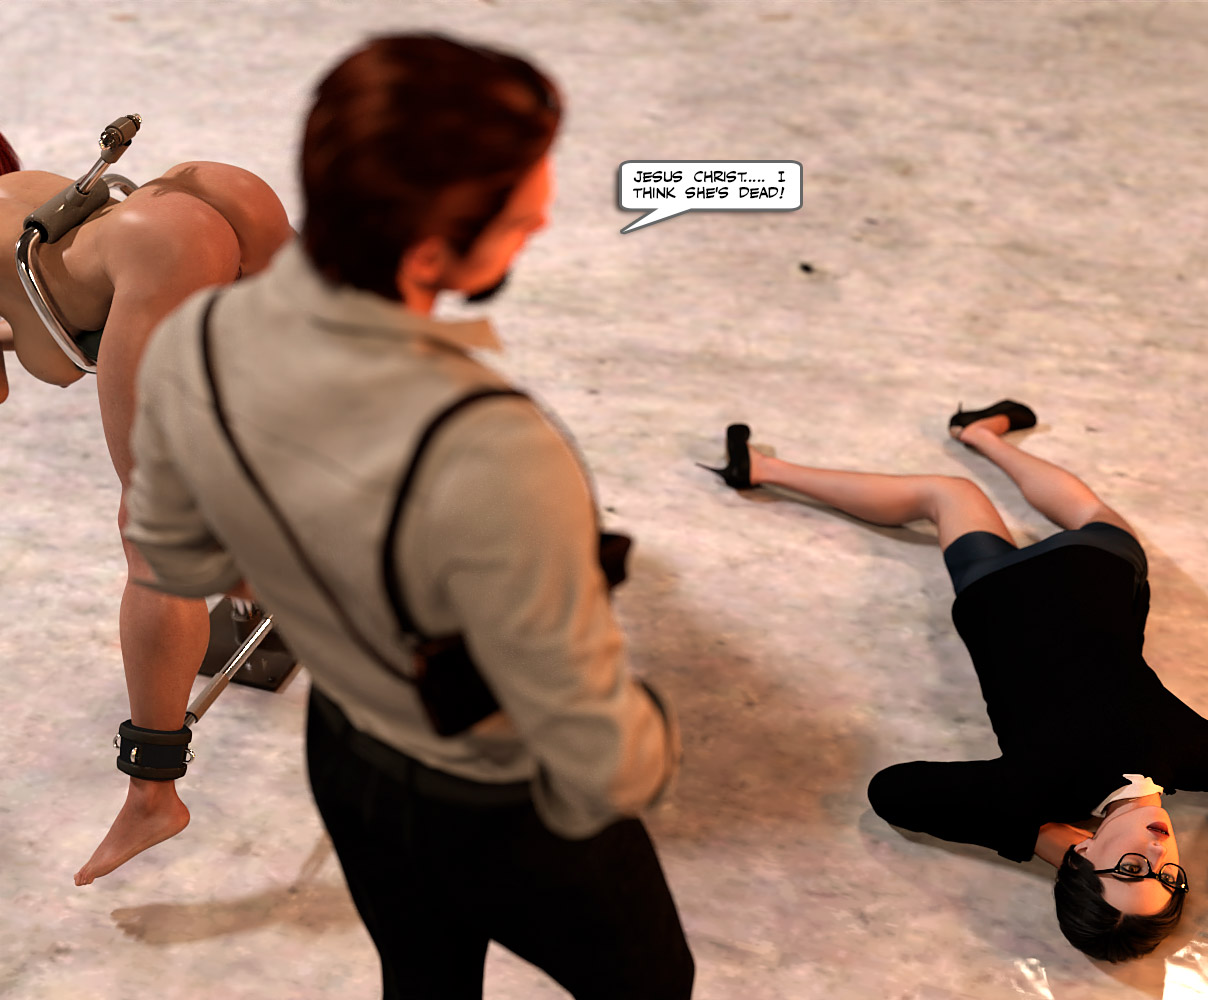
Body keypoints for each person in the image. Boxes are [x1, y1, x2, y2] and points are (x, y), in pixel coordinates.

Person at [120, 35, 692, 999]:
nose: (543, 218)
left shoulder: (200, 339)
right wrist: (655, 736)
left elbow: (178, 554)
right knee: (650, 983)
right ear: (435, 251)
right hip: (506, 804)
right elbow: (595, 748)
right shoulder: (496, 446)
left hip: (348, 754)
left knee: (421, 978)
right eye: (521, 210)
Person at [699, 399, 1208, 961]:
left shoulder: (1161, 762)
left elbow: (892, 791)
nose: (1160, 850)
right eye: (1169, 877)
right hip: (1004, 592)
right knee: (947, 493)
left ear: (1082, 855)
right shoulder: (1040, 793)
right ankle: (769, 468)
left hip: (1080, 572)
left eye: (1133, 869)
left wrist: (1042, 837)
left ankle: (983, 436)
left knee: (1084, 515)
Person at [0, 127, 294, 884]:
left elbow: (48, 362)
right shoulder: (24, 186)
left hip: (161, 248)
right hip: (215, 188)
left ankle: (152, 794)